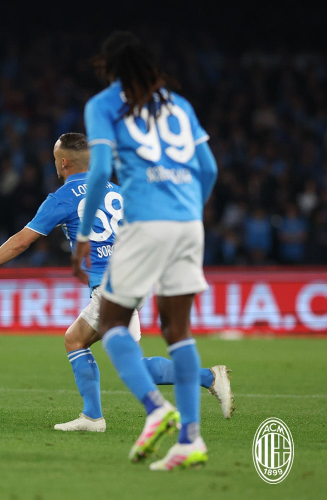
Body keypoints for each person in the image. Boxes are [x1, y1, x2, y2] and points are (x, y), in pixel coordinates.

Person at [0, 133, 232, 432]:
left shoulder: (62, 197)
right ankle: (95, 415)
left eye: (55, 159)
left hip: (112, 286)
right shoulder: (117, 191)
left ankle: (204, 379)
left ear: (63, 163)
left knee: (118, 359)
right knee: (88, 344)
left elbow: (22, 241)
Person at [72, 32, 220, 470]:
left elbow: (100, 169)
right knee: (178, 330)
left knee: (112, 322)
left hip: (145, 222)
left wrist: (84, 233)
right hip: (189, 224)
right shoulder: (180, 105)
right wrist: (190, 209)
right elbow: (209, 168)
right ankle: (190, 439)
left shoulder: (103, 105)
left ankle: (156, 409)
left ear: (108, 68)